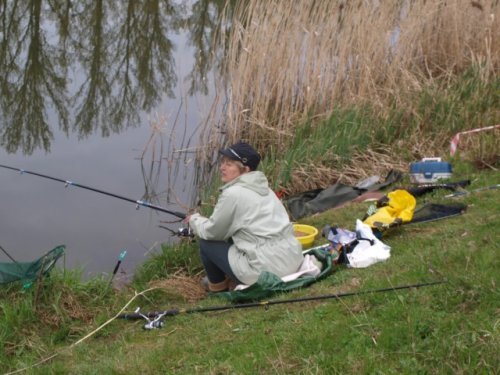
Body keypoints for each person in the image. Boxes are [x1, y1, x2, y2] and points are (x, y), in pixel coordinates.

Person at [185, 141, 304, 292]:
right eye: (223, 163)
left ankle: (218, 287)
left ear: (245, 169)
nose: (222, 168)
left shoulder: (233, 194)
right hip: (292, 259)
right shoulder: (266, 190)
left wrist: (194, 220)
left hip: (265, 271)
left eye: (229, 164)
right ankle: (230, 277)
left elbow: (212, 232)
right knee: (231, 235)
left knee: (207, 243)